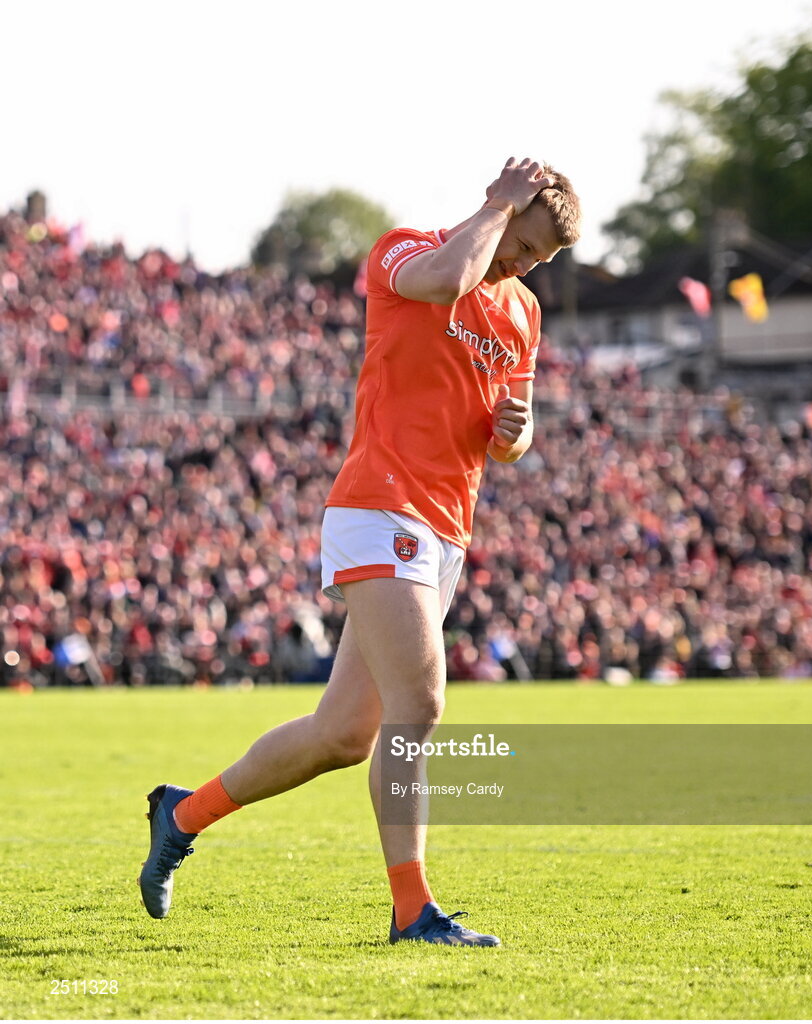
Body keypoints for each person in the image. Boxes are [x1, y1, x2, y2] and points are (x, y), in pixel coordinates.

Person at [139, 157, 582, 946]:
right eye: (525, 244)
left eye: (544, 260)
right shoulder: (405, 251)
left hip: (447, 527)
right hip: (380, 505)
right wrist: (493, 208)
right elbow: (449, 279)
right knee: (421, 706)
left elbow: (510, 430)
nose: (525, 265)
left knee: (342, 736)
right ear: (504, 210)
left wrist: (515, 437)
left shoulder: (521, 310)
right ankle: (413, 911)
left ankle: (182, 812)